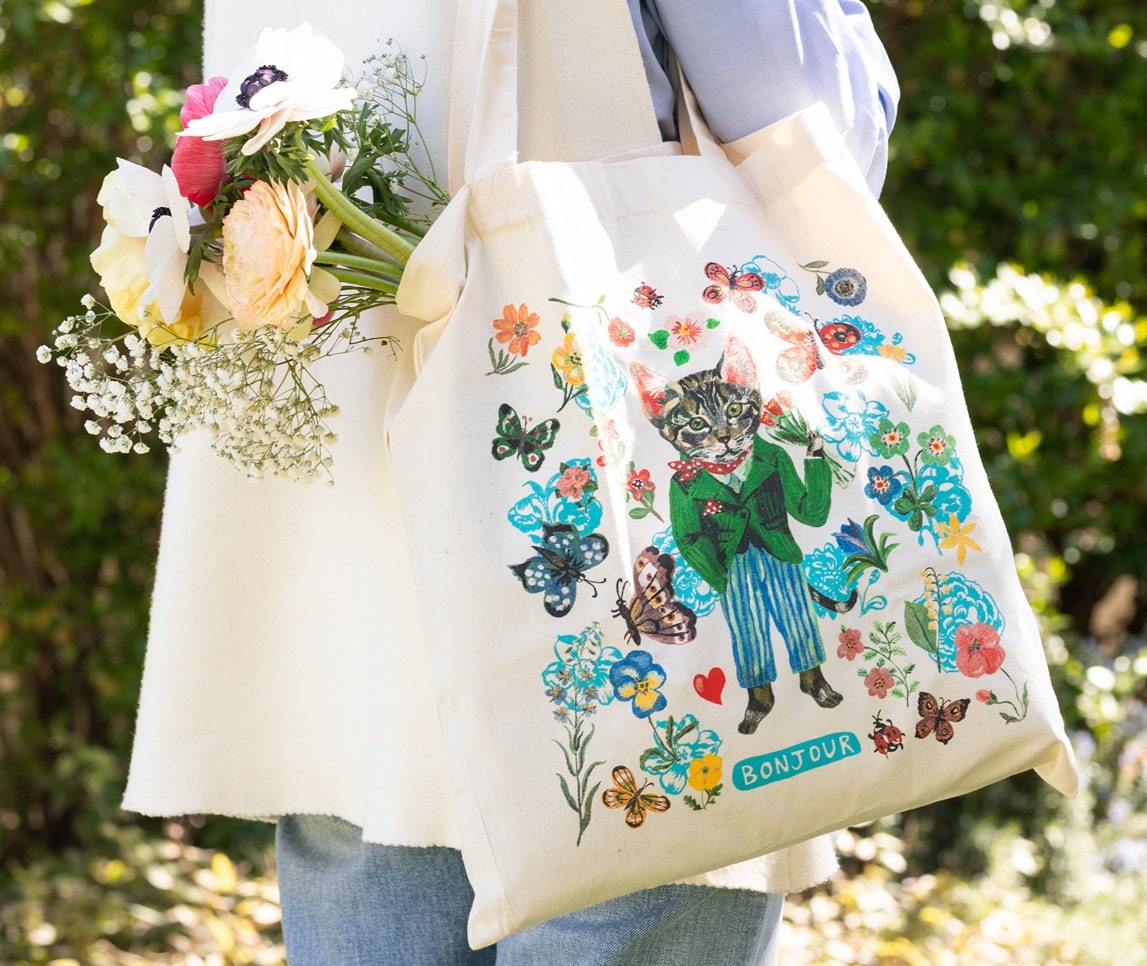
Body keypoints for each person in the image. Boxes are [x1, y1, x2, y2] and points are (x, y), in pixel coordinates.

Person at [122, 1, 898, 962]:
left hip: (330, 469)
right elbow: (806, 120)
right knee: (645, 840)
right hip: (587, 398)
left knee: (370, 821)